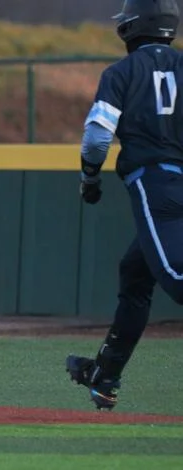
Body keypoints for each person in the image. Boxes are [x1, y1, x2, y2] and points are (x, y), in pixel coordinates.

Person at [67, 0, 183, 410]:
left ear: (132, 26)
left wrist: (89, 177)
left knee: (175, 277)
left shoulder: (121, 72)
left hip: (157, 183)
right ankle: (106, 376)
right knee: (136, 272)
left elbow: (98, 136)